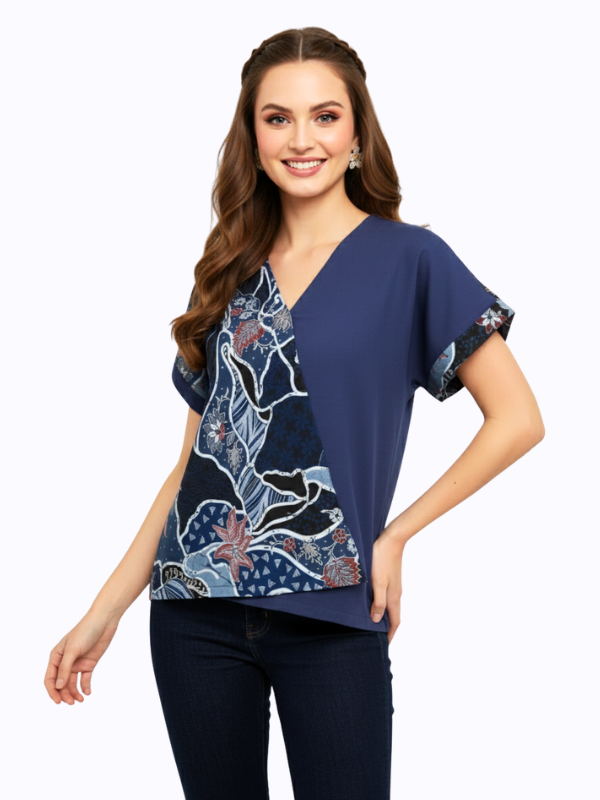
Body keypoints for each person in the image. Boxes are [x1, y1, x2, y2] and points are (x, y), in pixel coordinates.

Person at [44, 26, 545, 800]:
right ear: (253, 136)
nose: (301, 139)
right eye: (277, 118)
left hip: (335, 614)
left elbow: (518, 420)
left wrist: (395, 536)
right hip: (194, 615)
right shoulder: (227, 270)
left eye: (325, 116)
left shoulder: (411, 260)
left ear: (357, 133)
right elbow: (191, 470)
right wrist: (103, 612)